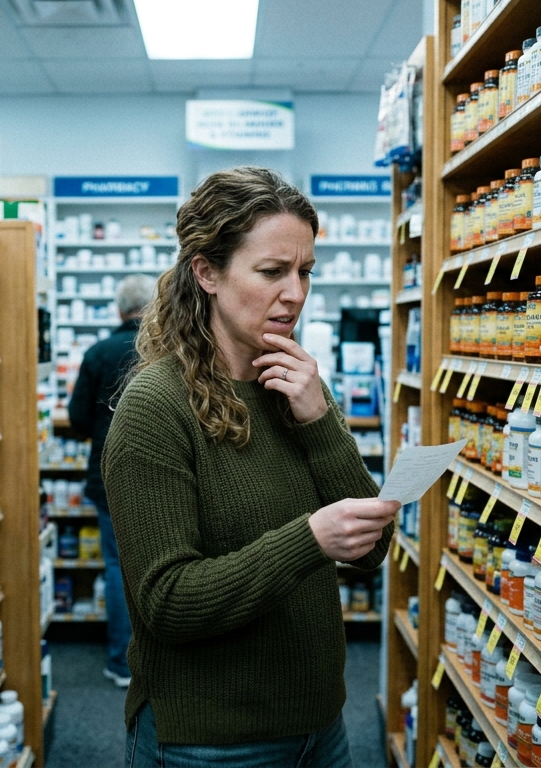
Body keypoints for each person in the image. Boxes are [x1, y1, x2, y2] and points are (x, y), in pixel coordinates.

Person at [103, 167, 398, 768]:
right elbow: (166, 601)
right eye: (271, 272)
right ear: (207, 273)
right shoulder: (155, 406)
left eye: (305, 271)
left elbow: (373, 549)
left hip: (323, 727)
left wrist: (319, 419)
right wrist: (309, 539)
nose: (294, 293)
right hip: (211, 742)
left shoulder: (299, 385)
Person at [68, 273, 156, 688]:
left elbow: (78, 418)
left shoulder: (98, 352)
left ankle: (124, 665)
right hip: (165, 470)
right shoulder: (168, 348)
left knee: (120, 567)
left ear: (120, 310)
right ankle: (165, 661)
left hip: (110, 474)